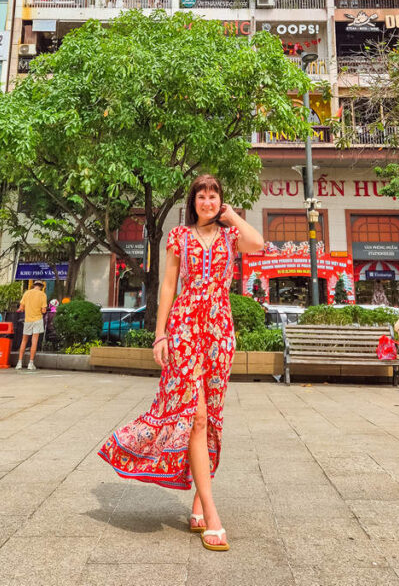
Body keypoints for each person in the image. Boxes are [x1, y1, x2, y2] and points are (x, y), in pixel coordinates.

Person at [98, 174, 265, 553]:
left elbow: (258, 243)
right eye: (201, 196)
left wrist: (231, 216)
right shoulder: (178, 237)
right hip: (186, 327)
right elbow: (169, 286)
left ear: (220, 200)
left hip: (220, 329)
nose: (207, 201)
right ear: (192, 202)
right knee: (197, 415)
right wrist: (161, 334)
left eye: (214, 195)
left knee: (213, 417)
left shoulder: (229, 235)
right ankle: (211, 512)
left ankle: (196, 506)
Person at [16, 280, 48, 371]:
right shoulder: (43, 295)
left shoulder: (27, 293)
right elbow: (43, 310)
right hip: (37, 320)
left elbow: (21, 308)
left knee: (24, 341)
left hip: (28, 320)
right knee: (34, 341)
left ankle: (19, 363)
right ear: (41, 286)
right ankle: (30, 363)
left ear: (34, 285)